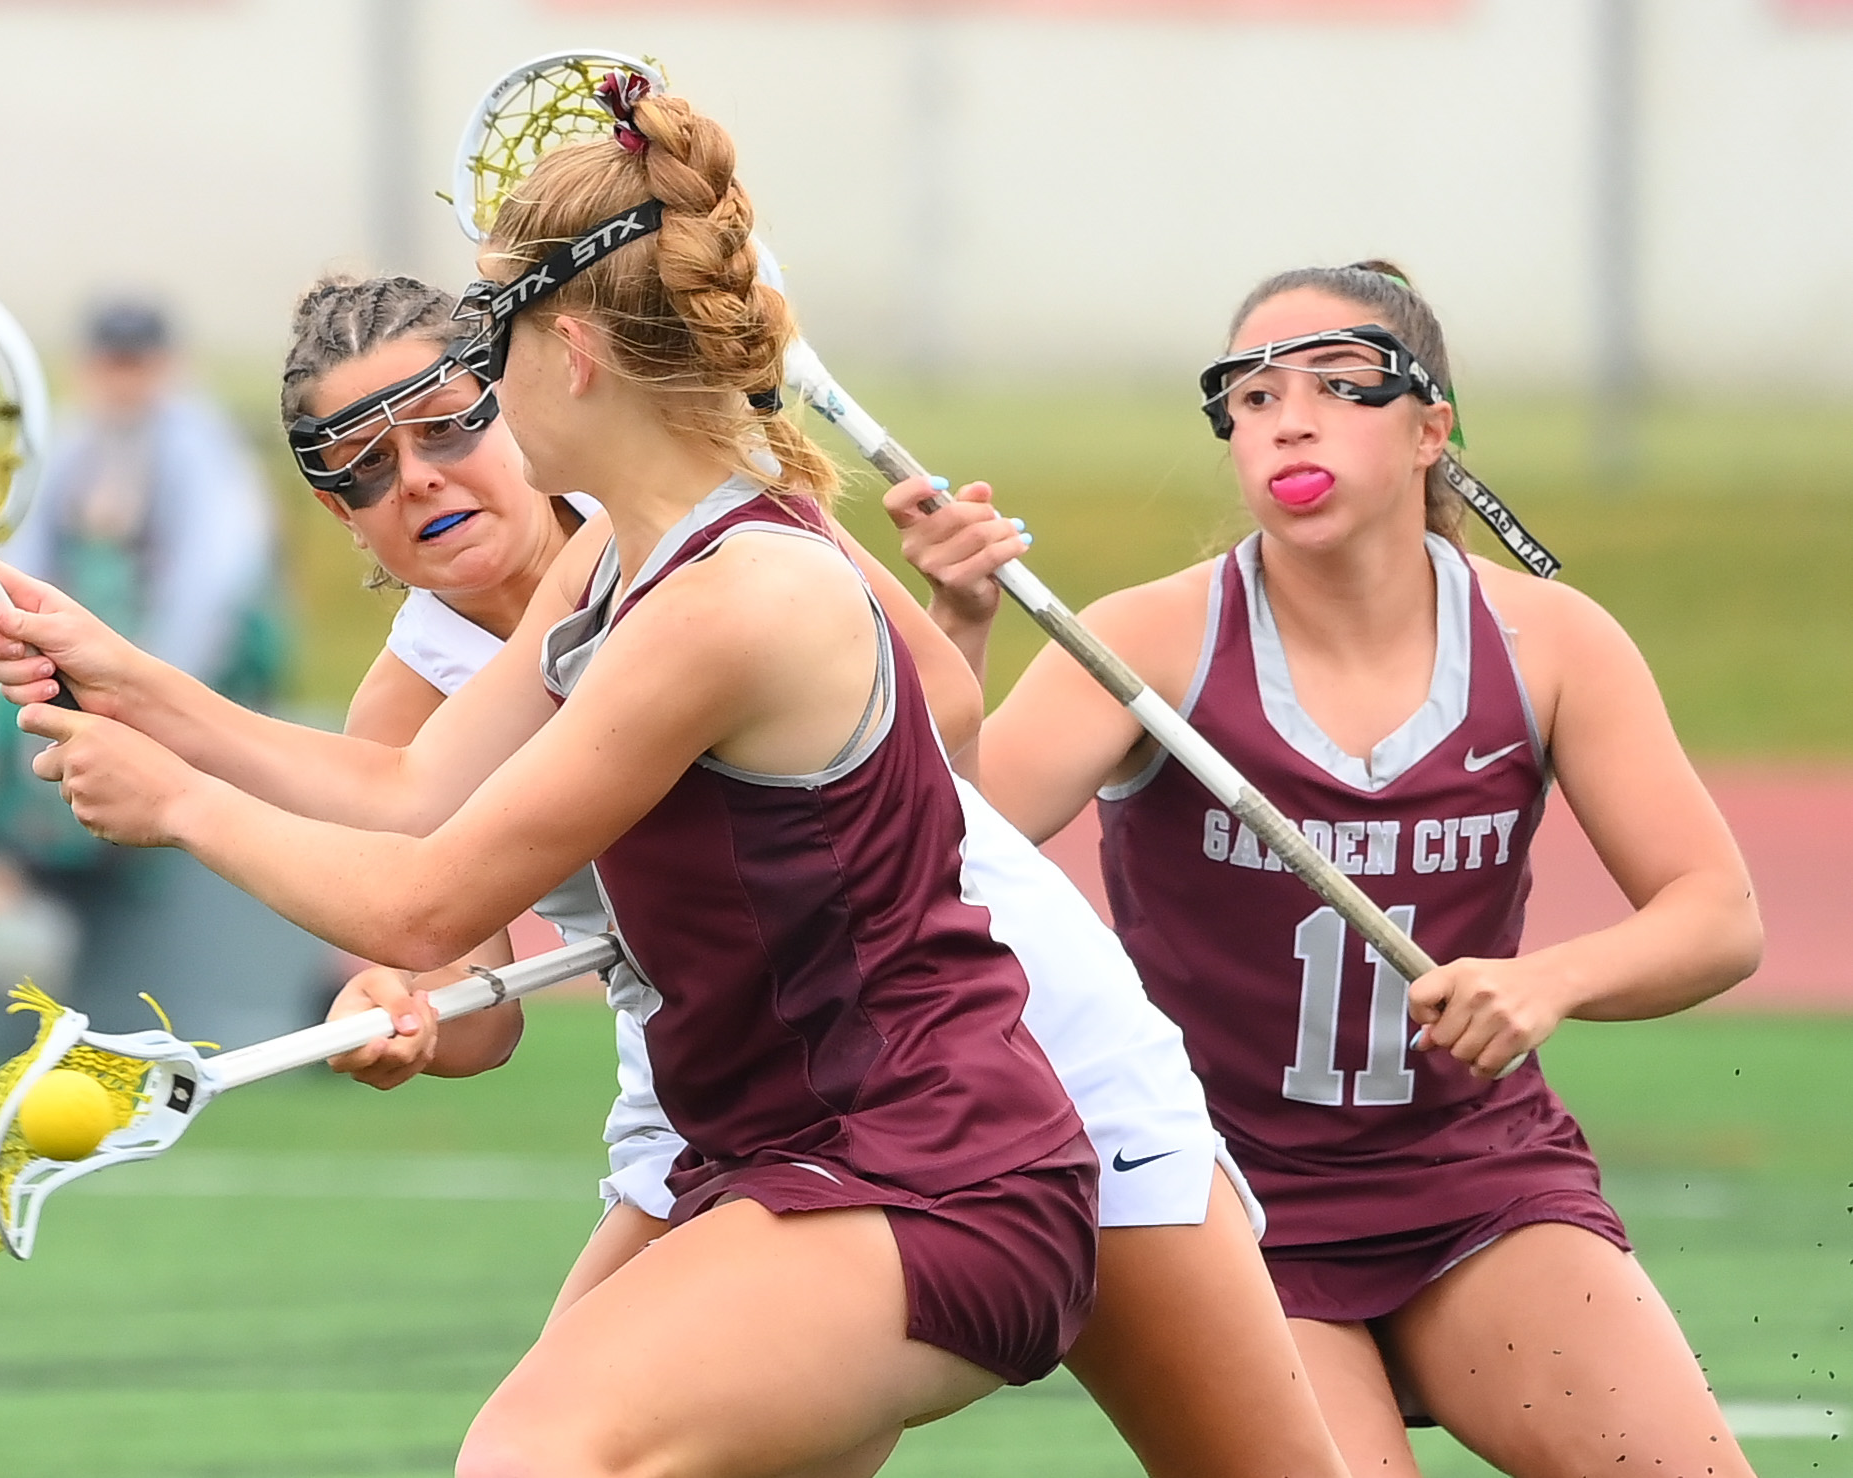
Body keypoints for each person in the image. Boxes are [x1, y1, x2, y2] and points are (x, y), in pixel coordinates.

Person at [0, 88, 1120, 1477]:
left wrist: (176, 801)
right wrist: (120, 674)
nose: (451, 447)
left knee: (537, 1453)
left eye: (477, 374)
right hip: (763, 1134)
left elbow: (423, 890)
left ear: (566, 354)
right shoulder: (619, 566)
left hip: (932, 1152)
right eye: (363, 464)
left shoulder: (716, 597)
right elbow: (409, 795)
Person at [273, 270, 1347, 1473]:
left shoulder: (685, 510)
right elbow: (460, 994)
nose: (415, 477)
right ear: (339, 513)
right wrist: (393, 1012)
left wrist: (949, 616)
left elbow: (937, 710)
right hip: (741, 1101)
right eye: (360, 465)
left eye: (446, 422)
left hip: (1010, 1026)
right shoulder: (405, 709)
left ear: (519, 389)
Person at [886, 261, 1762, 1476]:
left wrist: (1547, 982)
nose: (1286, 418)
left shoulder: (1549, 640)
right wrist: (960, 627)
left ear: (1428, 431)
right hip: (1227, 1204)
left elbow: (1716, 913)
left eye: (1337, 386)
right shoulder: (1152, 638)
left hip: (1479, 1180)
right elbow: (933, 851)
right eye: (1249, 397)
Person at [0, 298, 314, 1047]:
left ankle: (67, 870)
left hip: (183, 664)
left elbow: (213, 585)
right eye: (111, 363)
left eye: (138, 364)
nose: (124, 381)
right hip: (78, 657)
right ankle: (27, 874)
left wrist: (146, 687)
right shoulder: (69, 443)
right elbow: (22, 562)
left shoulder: (201, 451)